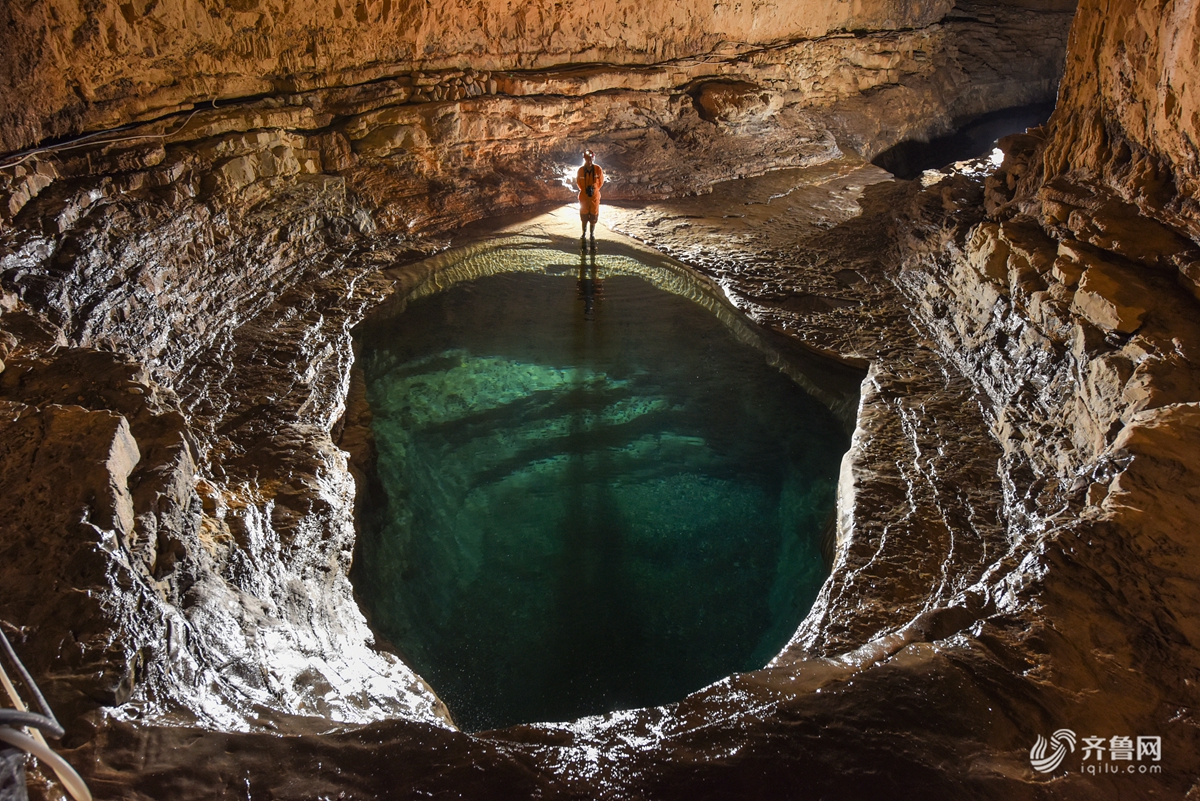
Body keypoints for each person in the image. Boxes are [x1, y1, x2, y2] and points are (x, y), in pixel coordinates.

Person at [575, 149, 604, 240]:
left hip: (594, 198)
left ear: (593, 159)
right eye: (588, 160)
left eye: (591, 159)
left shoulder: (598, 169)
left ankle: (591, 234)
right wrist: (585, 190)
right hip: (584, 197)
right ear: (585, 160)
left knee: (593, 216)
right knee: (584, 216)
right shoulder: (580, 170)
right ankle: (584, 233)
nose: (589, 161)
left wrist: (594, 189)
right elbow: (578, 182)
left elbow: (601, 182)